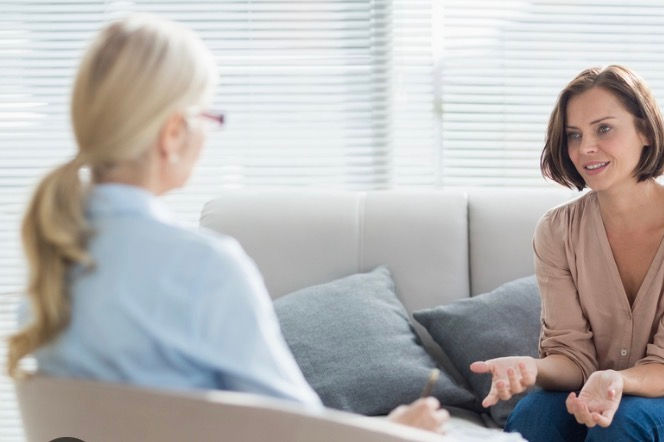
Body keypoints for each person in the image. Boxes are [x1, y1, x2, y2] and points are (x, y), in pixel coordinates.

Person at [5, 14, 448, 434]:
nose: (208, 133)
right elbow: (299, 434)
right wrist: (390, 432)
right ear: (173, 133)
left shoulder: (51, 269)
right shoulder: (202, 268)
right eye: (206, 117)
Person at [469, 65, 664, 441]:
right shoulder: (557, 232)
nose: (585, 148)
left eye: (604, 128)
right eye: (574, 135)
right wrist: (532, 369)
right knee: (535, 412)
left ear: (646, 132)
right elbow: (573, 358)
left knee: (622, 421)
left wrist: (615, 380)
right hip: (600, 390)